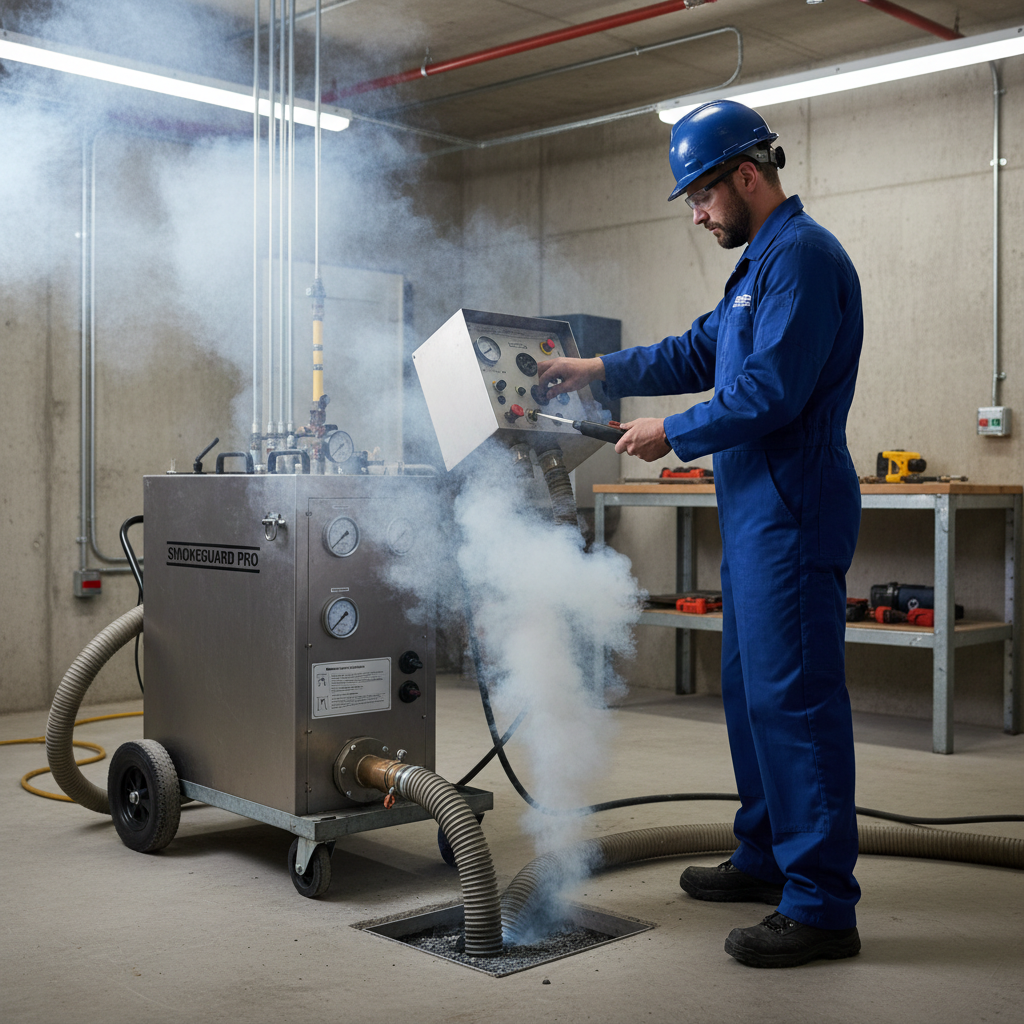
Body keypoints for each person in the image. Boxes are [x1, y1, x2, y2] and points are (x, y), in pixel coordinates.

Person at [538, 99, 864, 969]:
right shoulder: (759, 266)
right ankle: (767, 856)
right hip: (757, 514)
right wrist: (595, 369)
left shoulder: (801, 259)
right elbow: (696, 353)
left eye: (701, 196)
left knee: (793, 701)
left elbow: (770, 394)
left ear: (746, 177)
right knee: (752, 693)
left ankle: (823, 904)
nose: (696, 212)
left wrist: (671, 434)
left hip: (793, 511)